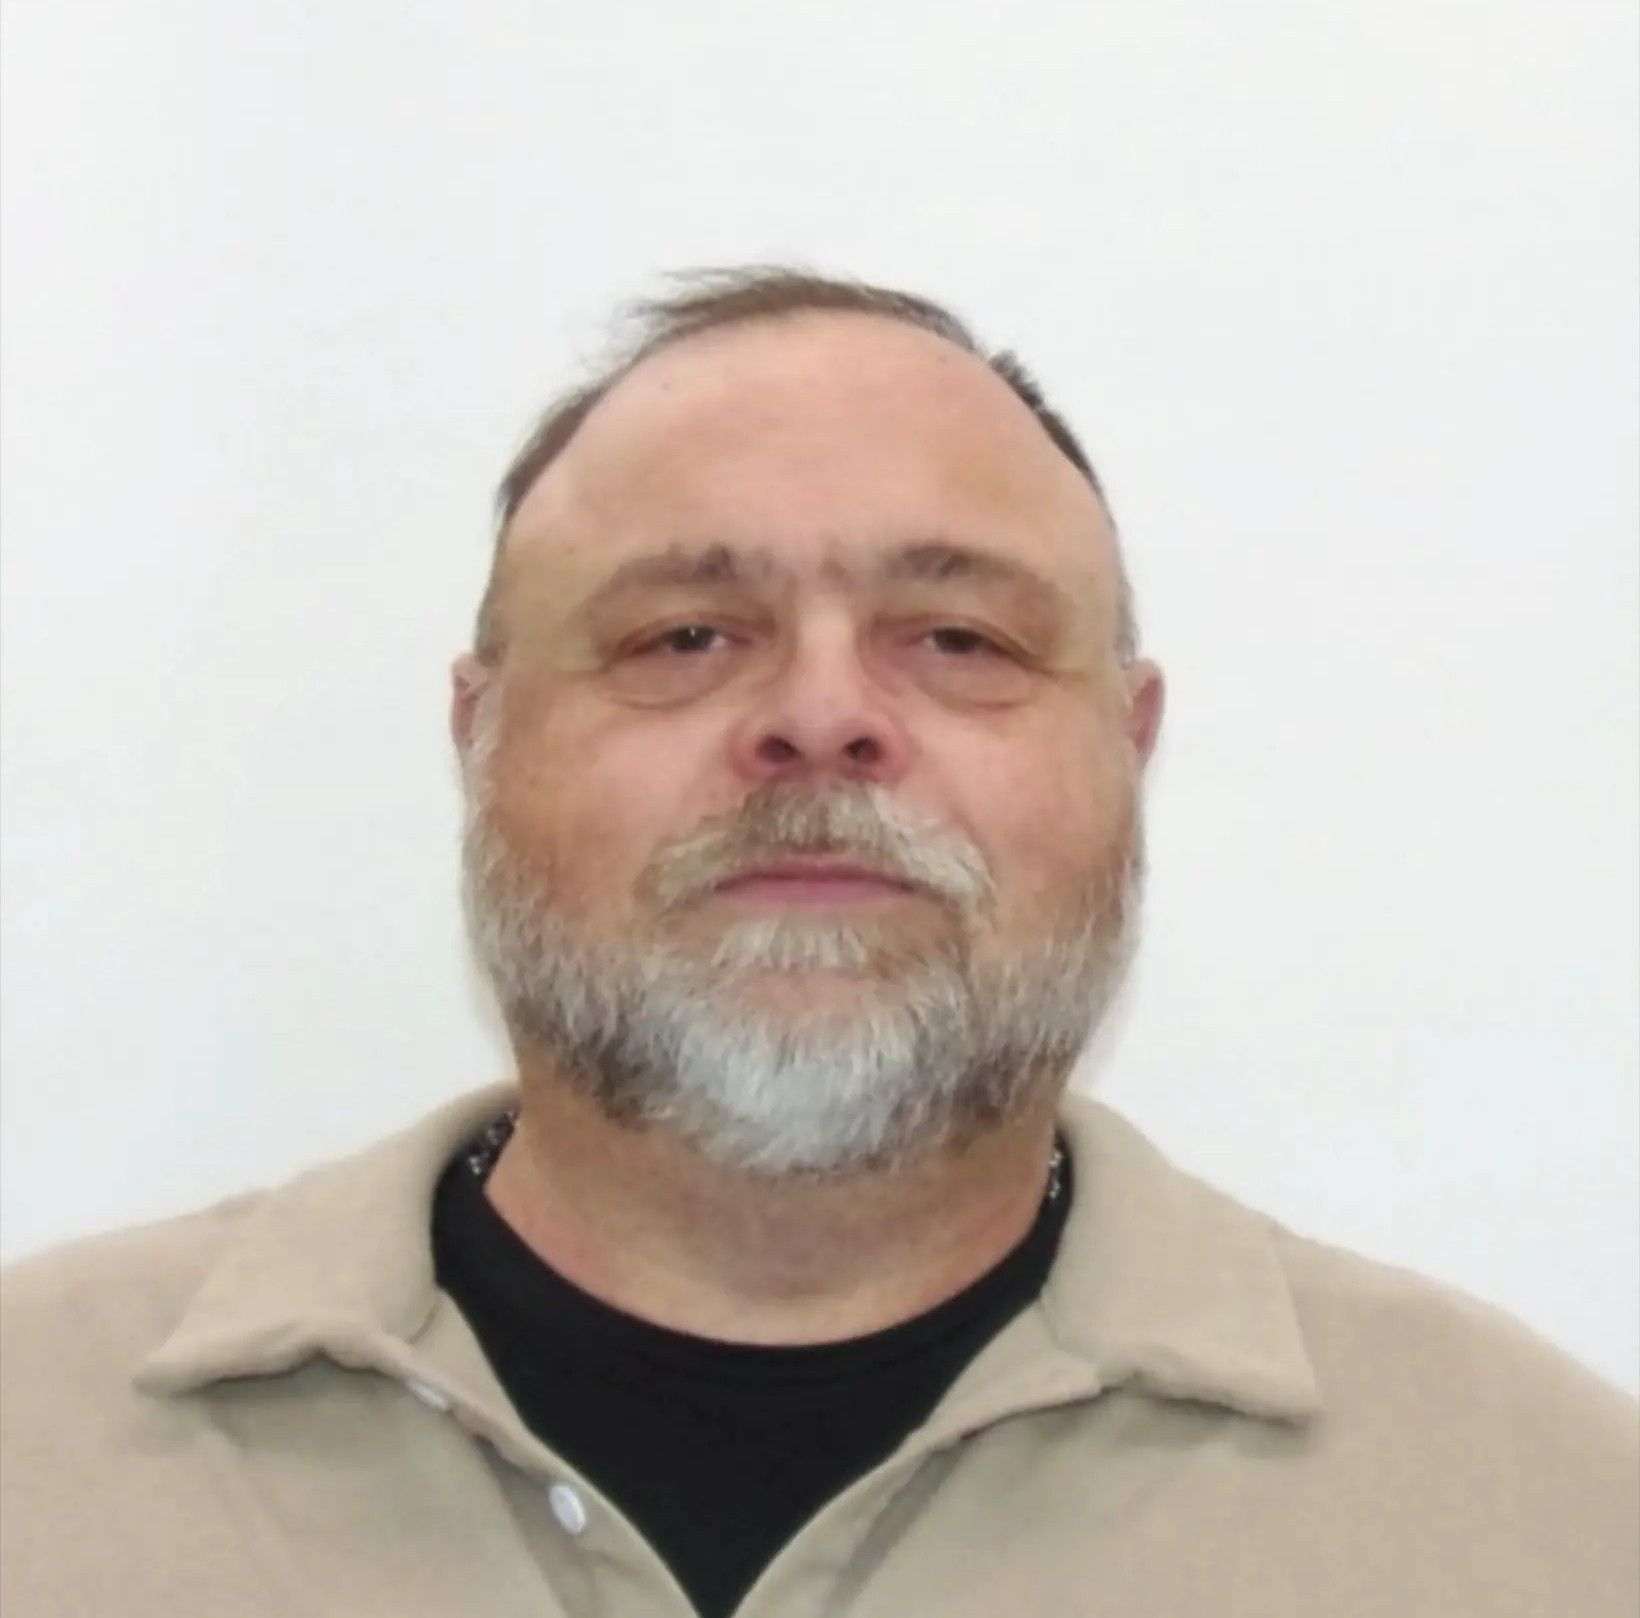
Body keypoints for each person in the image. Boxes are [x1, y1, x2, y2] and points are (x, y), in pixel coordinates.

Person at [1, 266, 1634, 1618]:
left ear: (1128, 752)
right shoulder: (35, 1455)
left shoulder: (1550, 1525)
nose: (822, 717)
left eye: (960, 638)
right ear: (478, 738)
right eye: (686, 634)